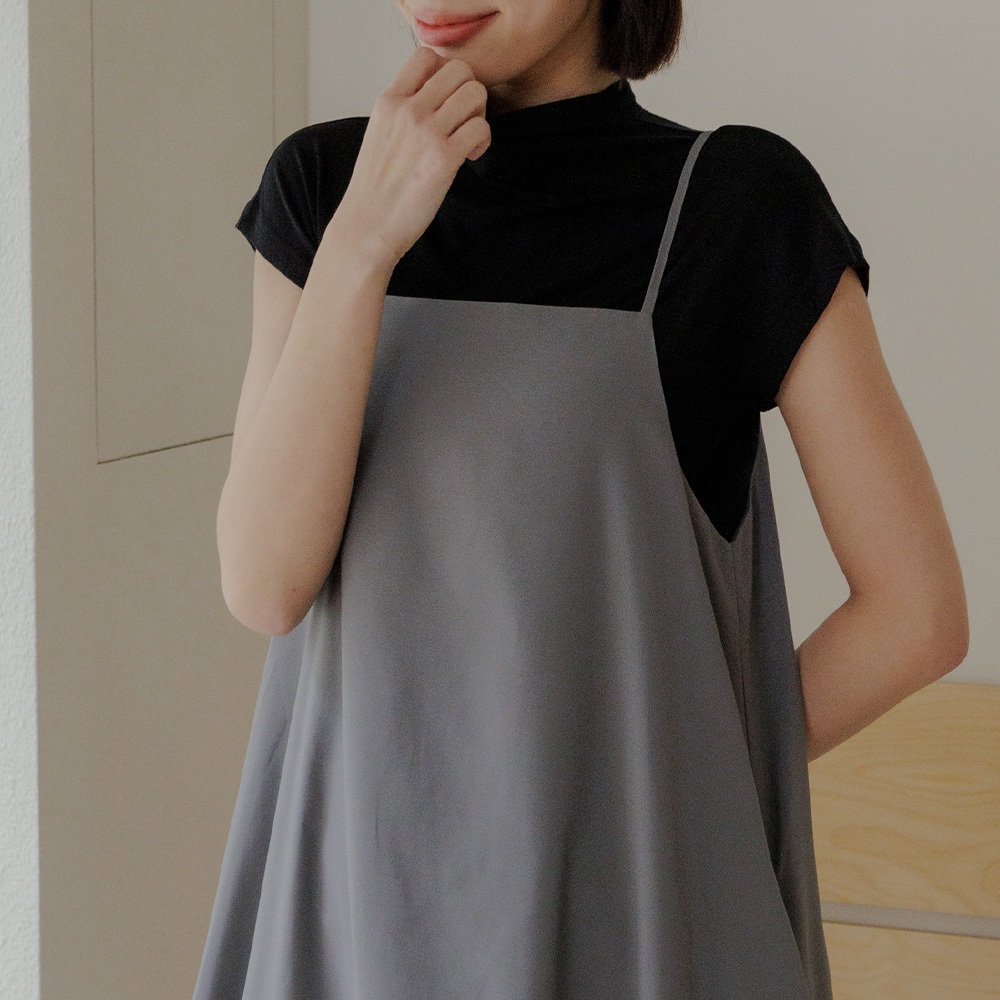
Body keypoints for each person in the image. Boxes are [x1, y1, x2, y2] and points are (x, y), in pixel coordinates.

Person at [195, 1, 969, 997]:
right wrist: (359, 247)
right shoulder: (321, 187)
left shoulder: (735, 203)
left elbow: (915, 614)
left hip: (630, 918)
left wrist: (668, 789)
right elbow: (265, 584)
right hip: (353, 905)